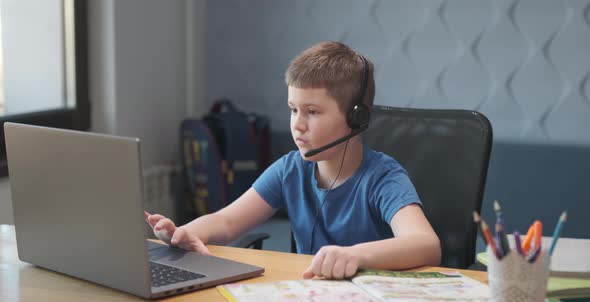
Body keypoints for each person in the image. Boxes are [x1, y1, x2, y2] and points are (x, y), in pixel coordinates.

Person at [145, 41, 441, 280]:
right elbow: (226, 220)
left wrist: (356, 255)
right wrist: (187, 232)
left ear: (356, 117)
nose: (297, 125)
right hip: (312, 297)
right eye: (293, 109)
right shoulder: (290, 169)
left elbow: (426, 244)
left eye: (312, 111)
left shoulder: (382, 177)